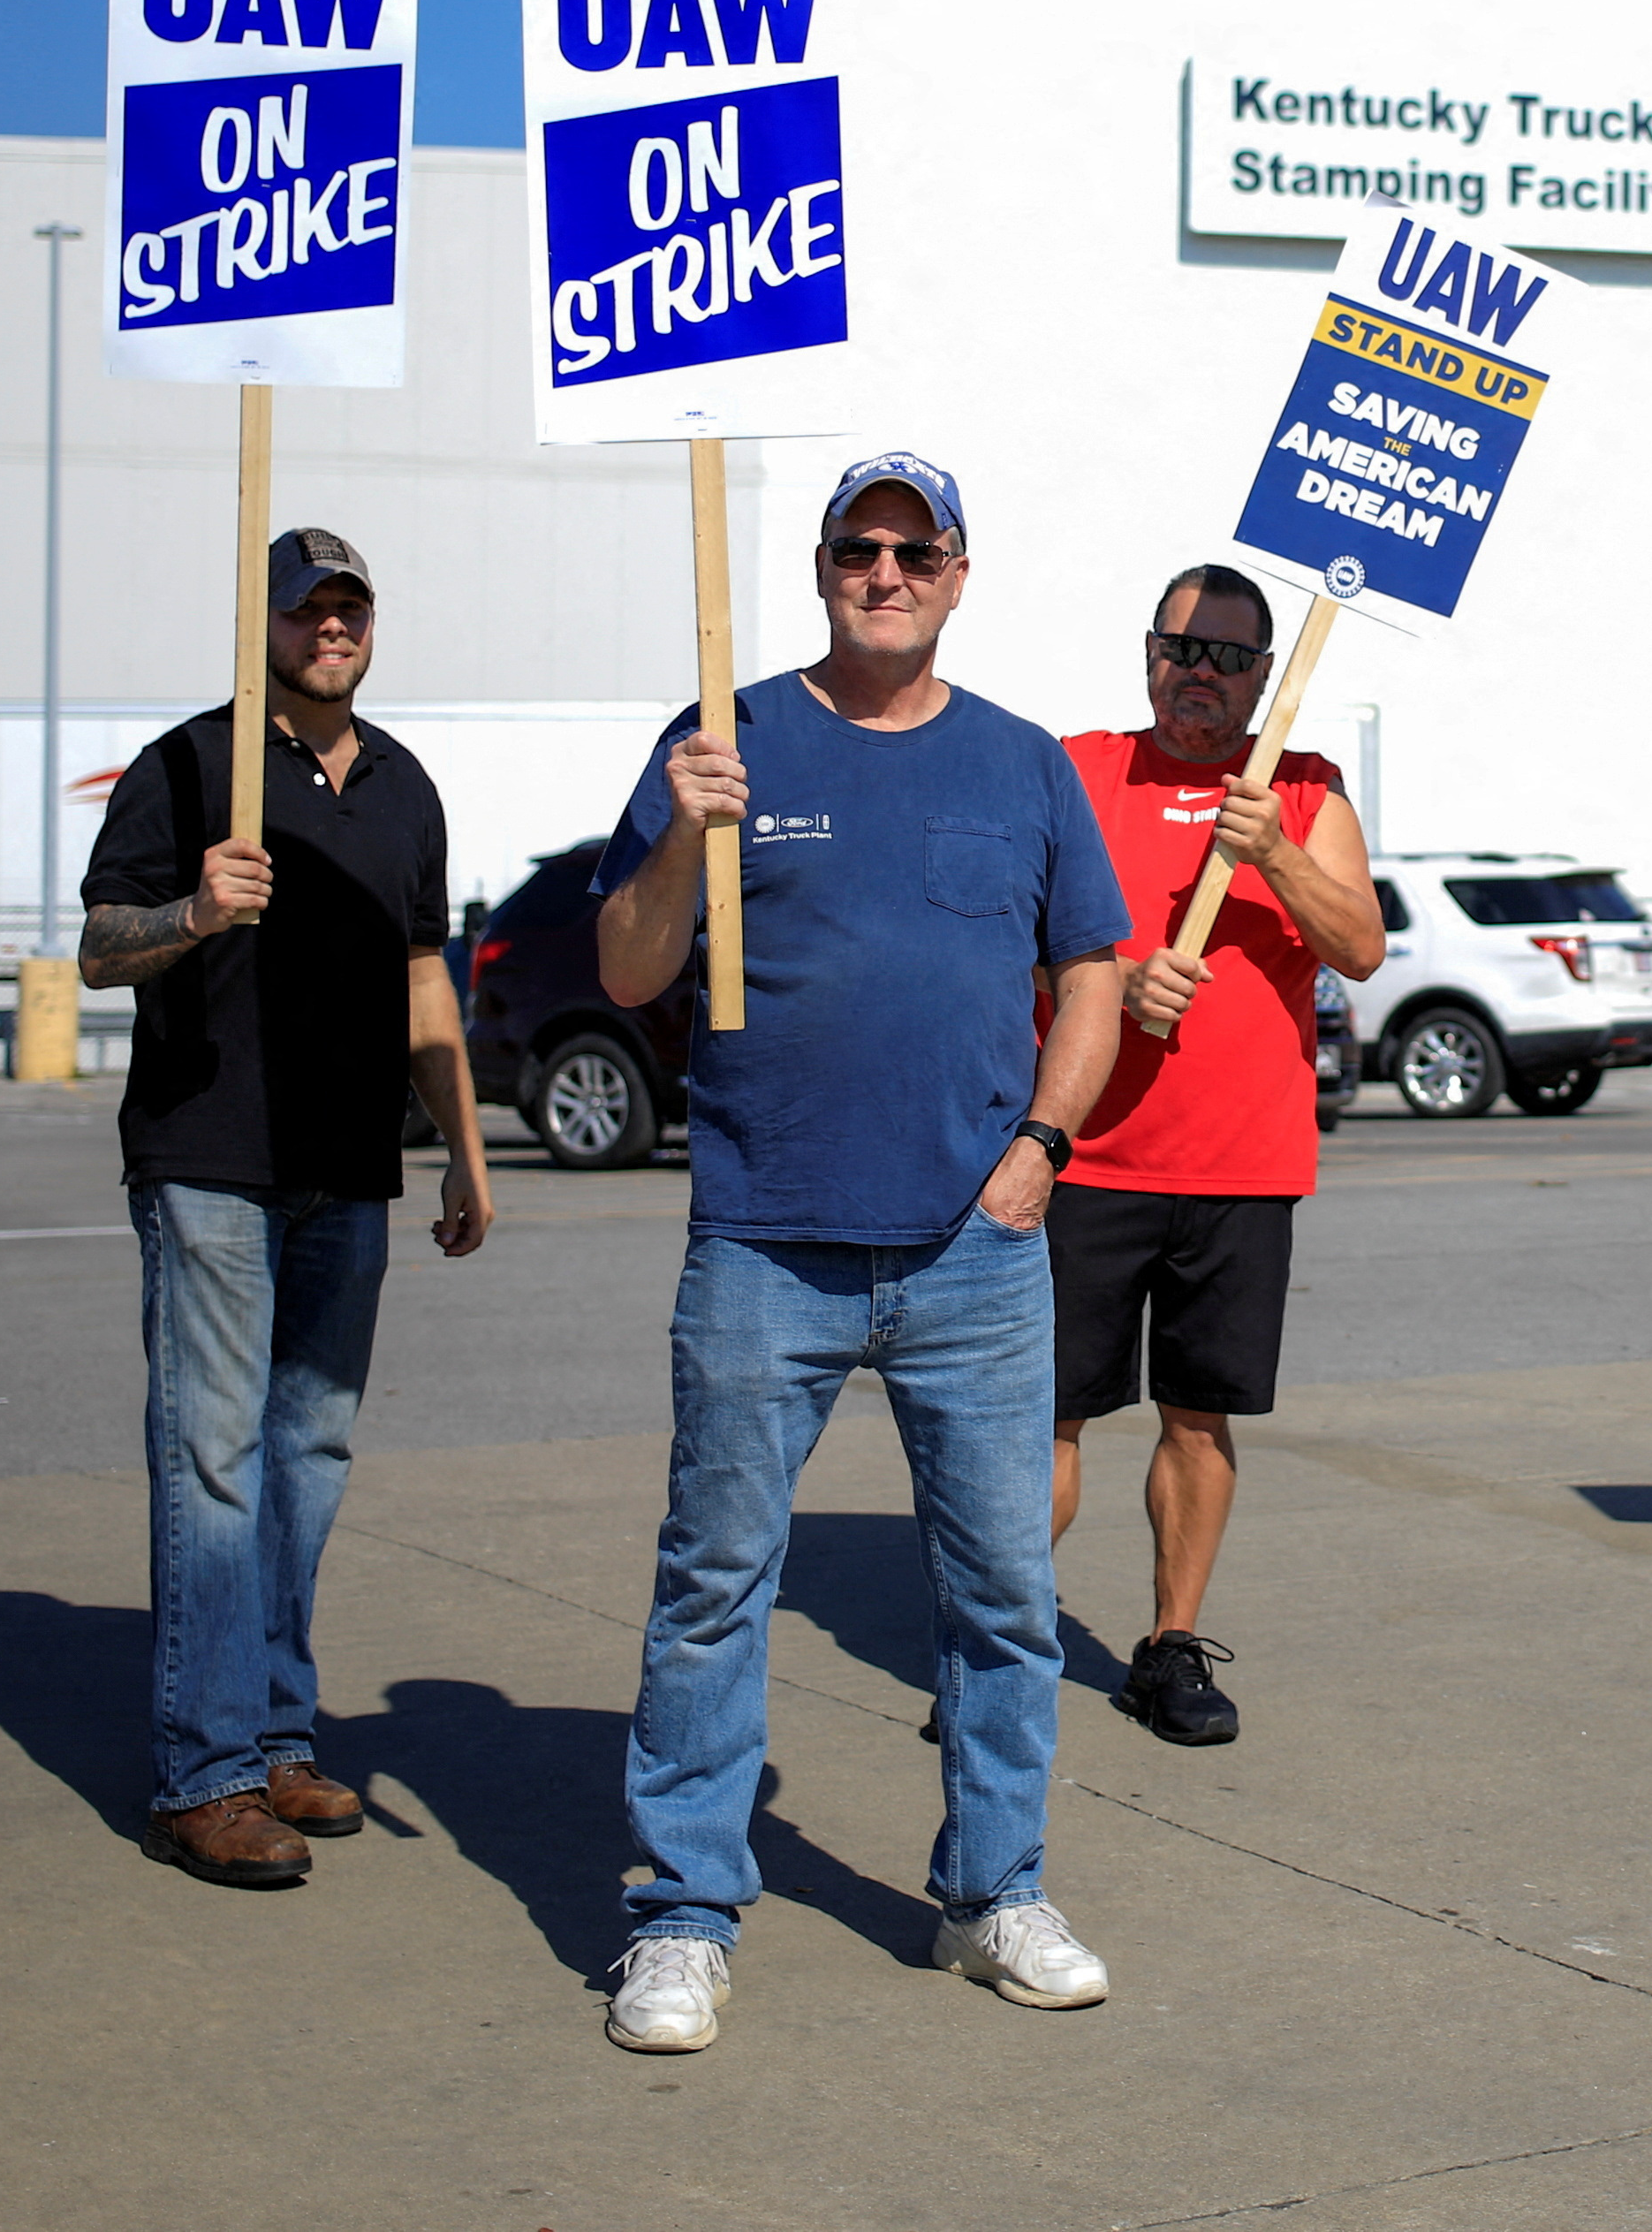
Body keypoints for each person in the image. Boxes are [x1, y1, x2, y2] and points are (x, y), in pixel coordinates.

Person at [589, 452, 1131, 2055]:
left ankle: (994, 1891)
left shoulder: (1024, 763)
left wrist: (1039, 1150)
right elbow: (627, 970)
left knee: (1004, 1594)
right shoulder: (726, 739)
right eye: (855, 545)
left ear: (960, 573)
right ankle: (682, 1917)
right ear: (821, 565)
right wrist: (686, 840)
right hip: (766, 1242)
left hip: (976, 1255)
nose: (882, 570)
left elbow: (1091, 974)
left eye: (914, 548)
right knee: (712, 1587)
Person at [77, 525, 493, 1887]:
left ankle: (273, 1731)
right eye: (307, 605)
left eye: (350, 604)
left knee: (308, 1453)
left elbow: (426, 972)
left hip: (348, 1163)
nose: (332, 624)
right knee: (213, 1456)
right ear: (259, 620)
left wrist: (464, 1141)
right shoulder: (191, 764)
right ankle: (199, 1773)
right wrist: (194, 910)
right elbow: (96, 948)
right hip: (209, 1157)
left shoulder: (404, 784)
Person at [1050, 564, 1387, 1745]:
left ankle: (1169, 1642)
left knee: (1199, 1417)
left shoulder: (1301, 787)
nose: (1202, 673)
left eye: (1232, 657)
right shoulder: (1080, 768)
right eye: (1181, 648)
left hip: (1240, 1167)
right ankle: (994, 1645)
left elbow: (1362, 946)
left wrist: (1277, 855)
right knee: (1044, 1420)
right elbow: (1001, 942)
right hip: (1084, 1154)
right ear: (1150, 652)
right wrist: (1114, 981)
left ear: (1261, 676)